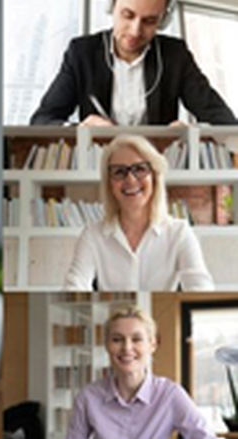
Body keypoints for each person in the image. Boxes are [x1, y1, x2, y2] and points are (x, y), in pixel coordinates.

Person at [30, 0, 236, 126]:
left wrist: (190, 135)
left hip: (156, 169)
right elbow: (42, 120)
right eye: (127, 15)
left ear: (163, 20)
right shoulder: (82, 53)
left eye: (149, 21)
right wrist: (80, 129)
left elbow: (224, 121)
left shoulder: (175, 55)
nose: (135, 31)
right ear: (112, 6)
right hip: (97, 167)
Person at [64, 134, 213, 291]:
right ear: (109, 184)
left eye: (140, 169)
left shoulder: (180, 233)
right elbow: (74, 285)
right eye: (119, 172)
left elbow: (201, 287)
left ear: (154, 177)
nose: (130, 180)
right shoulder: (92, 235)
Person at [66, 306, 216, 439]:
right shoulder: (88, 397)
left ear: (152, 344)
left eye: (136, 339)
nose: (126, 348)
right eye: (117, 339)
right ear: (106, 345)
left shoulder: (170, 394)